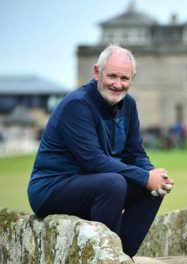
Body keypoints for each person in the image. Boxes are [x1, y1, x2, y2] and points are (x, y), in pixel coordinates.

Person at [27, 44, 174, 258]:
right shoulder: (77, 105)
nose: (117, 84)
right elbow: (93, 161)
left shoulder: (129, 105)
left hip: (94, 183)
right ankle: (105, 258)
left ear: (132, 78)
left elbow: (135, 153)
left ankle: (121, 257)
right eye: (112, 76)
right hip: (52, 188)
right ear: (97, 72)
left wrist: (154, 176)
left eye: (124, 79)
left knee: (152, 190)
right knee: (113, 183)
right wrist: (144, 176)